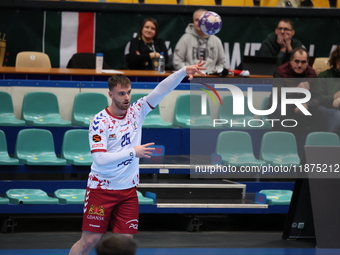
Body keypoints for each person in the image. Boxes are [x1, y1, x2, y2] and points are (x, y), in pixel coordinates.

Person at [68, 60, 206, 255]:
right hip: (101, 189)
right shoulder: (100, 122)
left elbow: (161, 91)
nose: (126, 97)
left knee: (125, 243)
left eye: (129, 92)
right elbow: (100, 159)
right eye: (121, 93)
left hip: (127, 191)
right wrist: (134, 151)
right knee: (89, 240)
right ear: (110, 94)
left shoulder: (136, 111)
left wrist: (183, 71)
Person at [269, 47, 328, 131]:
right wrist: (296, 90)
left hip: (305, 109)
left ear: (308, 62)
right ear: (291, 60)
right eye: (296, 61)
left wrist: (308, 105)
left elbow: (318, 97)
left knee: (323, 111)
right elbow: (276, 97)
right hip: (287, 109)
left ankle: (312, 141)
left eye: (303, 62)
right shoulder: (280, 72)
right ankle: (282, 141)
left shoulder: (312, 73)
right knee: (280, 109)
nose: (299, 65)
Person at [173, 9, 226, 74]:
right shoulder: (185, 39)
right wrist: (190, 70)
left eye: (202, 20)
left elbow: (222, 63)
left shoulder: (216, 41)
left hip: (210, 78)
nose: (199, 23)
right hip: (189, 78)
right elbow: (177, 62)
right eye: (197, 20)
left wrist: (211, 72)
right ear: (193, 21)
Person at [317, 45, 340, 134]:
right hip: (328, 110)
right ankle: (328, 140)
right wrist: (333, 97)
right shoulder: (324, 76)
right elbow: (318, 98)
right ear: (335, 61)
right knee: (337, 115)